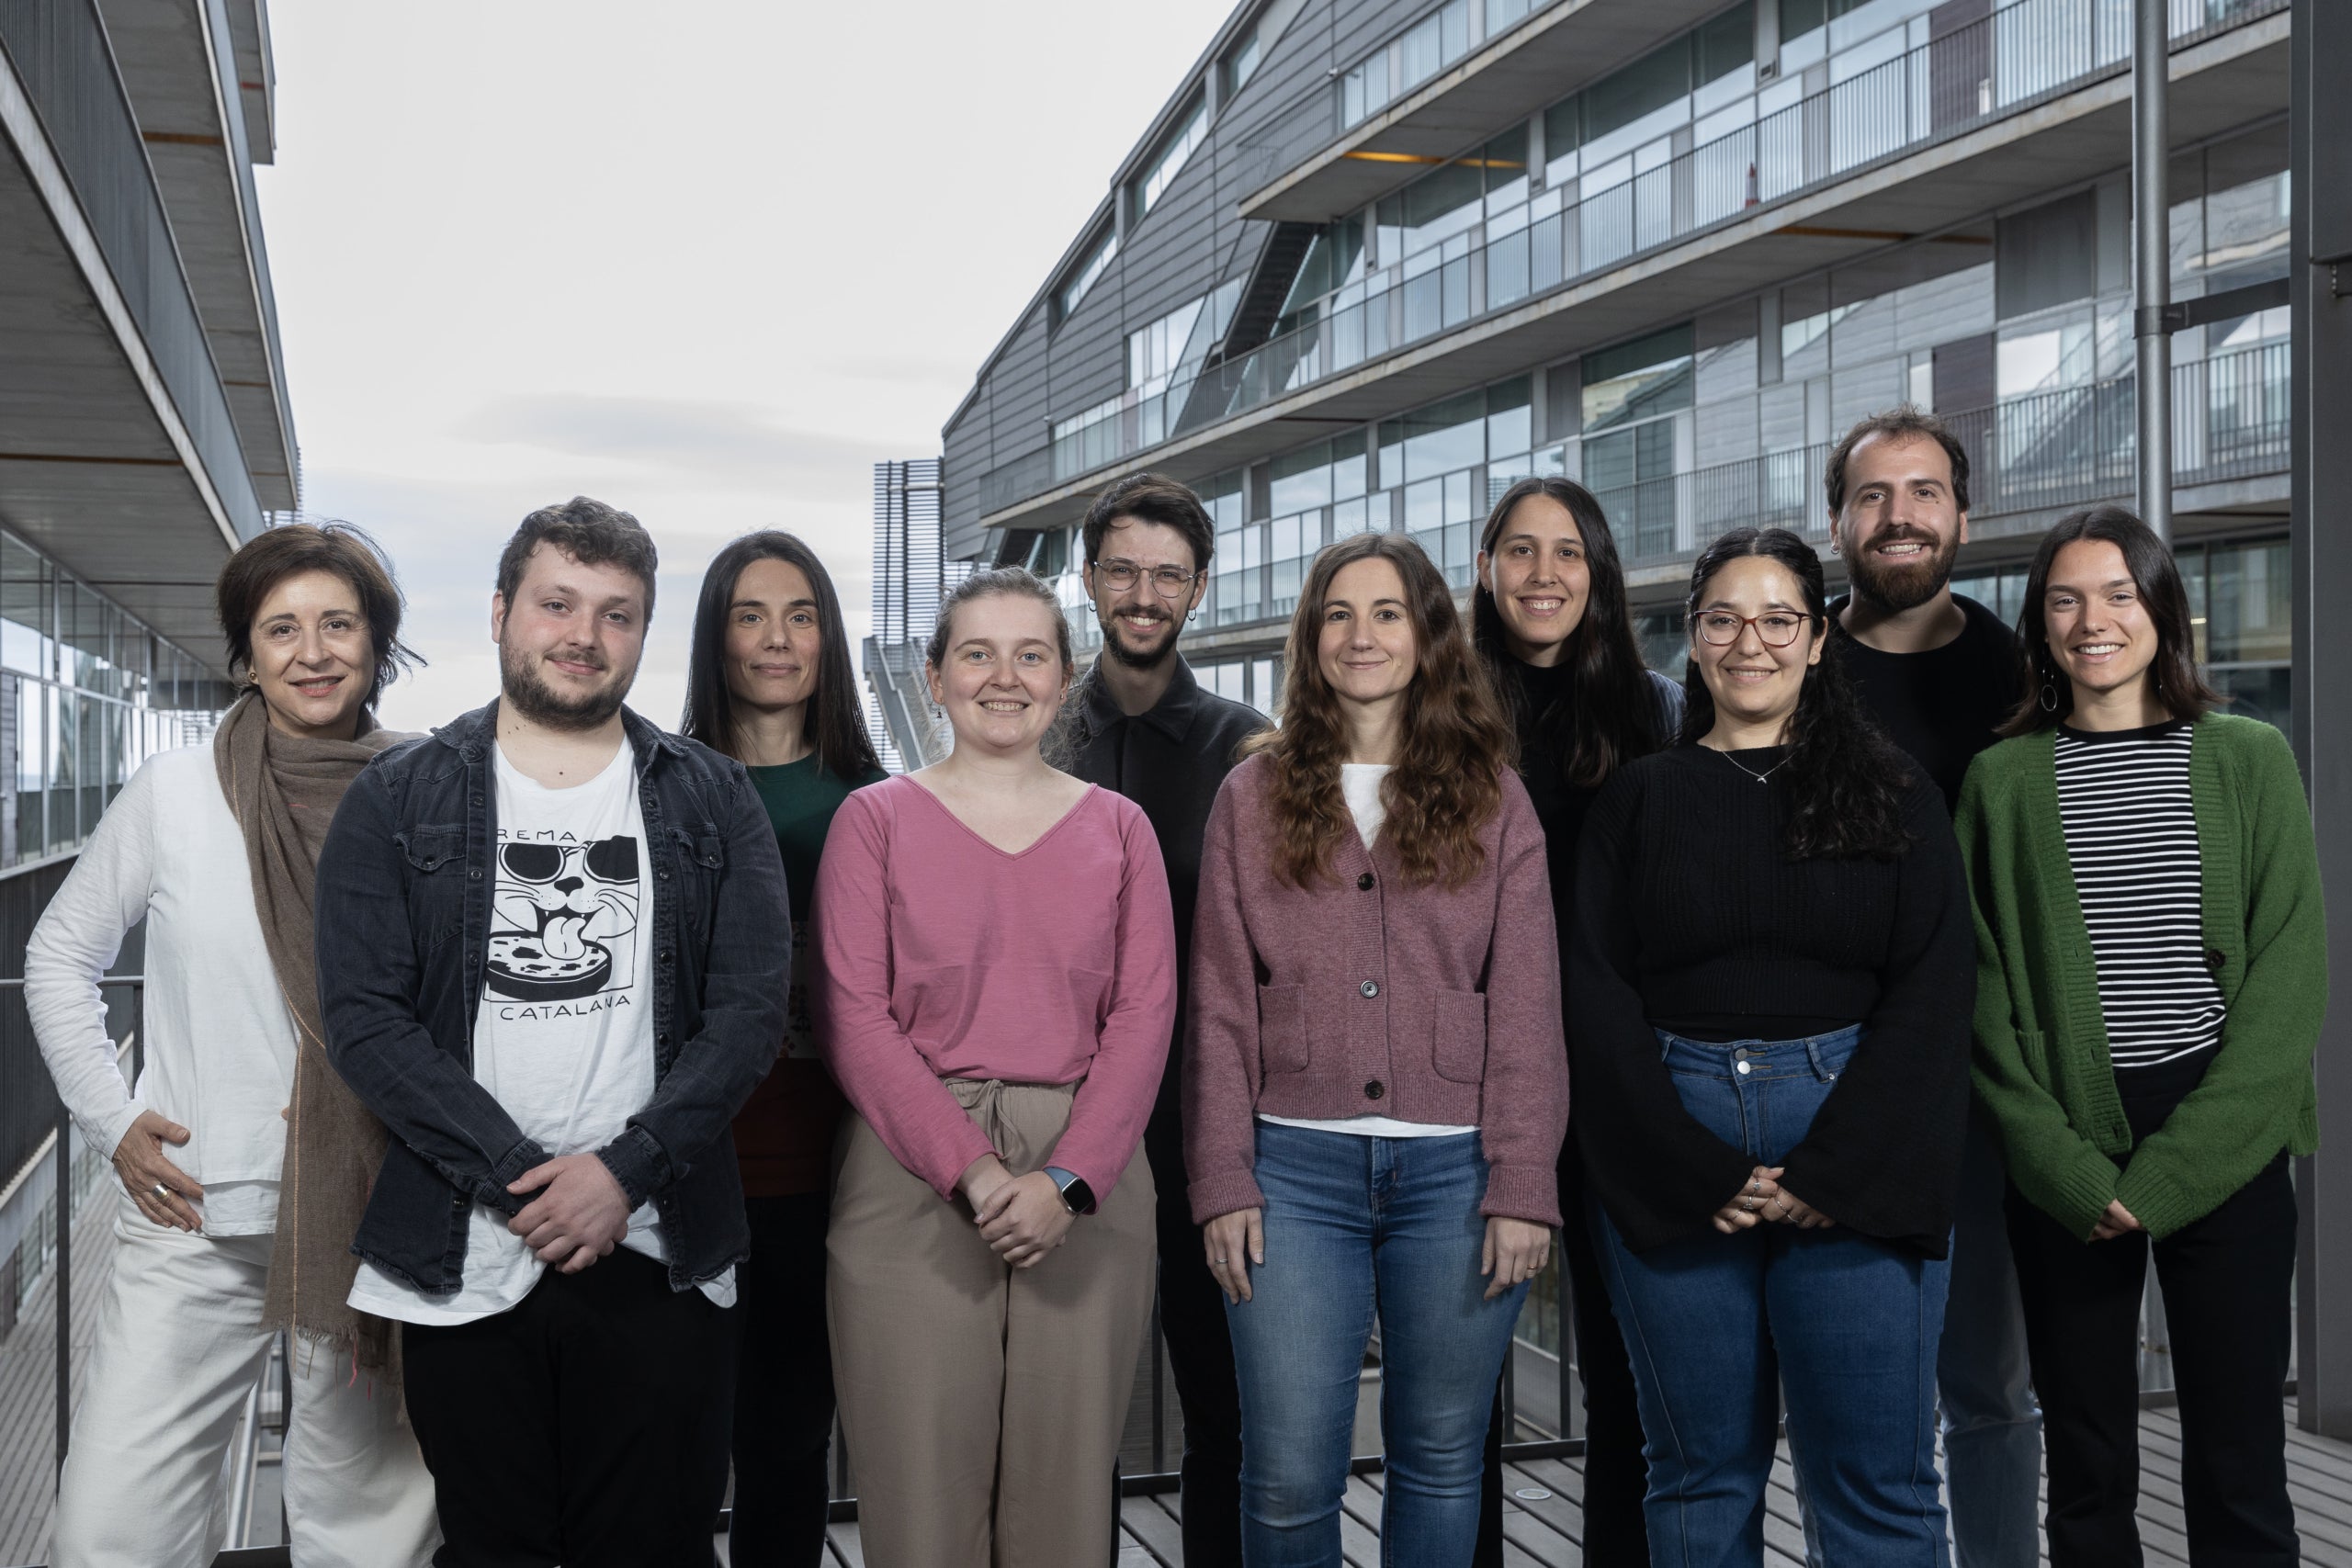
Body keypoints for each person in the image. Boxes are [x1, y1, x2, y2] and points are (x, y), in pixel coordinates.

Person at [316, 497, 790, 1567]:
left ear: (642, 635)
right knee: (495, 1548)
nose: (584, 634)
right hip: (468, 1247)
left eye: (617, 614)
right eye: (558, 603)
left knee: (659, 1548)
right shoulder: (395, 798)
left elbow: (750, 1012)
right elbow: (365, 1021)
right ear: (499, 614)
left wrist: (623, 1174)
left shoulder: (711, 800)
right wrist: (525, 1179)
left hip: (659, 1242)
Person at [28, 524, 438, 1568]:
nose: (312, 651)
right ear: (247, 652)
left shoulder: (428, 792)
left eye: (338, 624)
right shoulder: (176, 792)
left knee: (365, 1538)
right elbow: (59, 957)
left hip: (365, 1219)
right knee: (110, 1533)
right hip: (197, 1215)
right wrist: (113, 1123)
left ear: (376, 644)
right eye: (282, 628)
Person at [1570, 525, 1973, 1565]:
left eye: (1777, 619)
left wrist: (1833, 1171)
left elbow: (1933, 990)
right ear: (1693, 640)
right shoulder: (1638, 800)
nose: (1750, 642)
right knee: (1698, 1482)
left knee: (1877, 1482)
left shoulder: (1893, 792)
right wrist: (1691, 1165)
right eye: (1722, 620)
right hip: (1676, 1130)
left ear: (1817, 637)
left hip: (1858, 1132)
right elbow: (1596, 998)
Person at [1187, 530, 1567, 1567]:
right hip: (1289, 1173)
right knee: (1285, 1475)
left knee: (1442, 1459)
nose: (1362, 635)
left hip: (1457, 1170)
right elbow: (1218, 1002)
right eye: (1339, 614)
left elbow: (1527, 1001)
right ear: (1310, 640)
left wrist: (1523, 1184)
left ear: (1428, 636)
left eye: (1387, 613)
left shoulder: (1492, 796)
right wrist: (1223, 1177)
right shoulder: (1249, 798)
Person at [1957, 504, 2320, 1566]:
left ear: (2162, 608)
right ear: (2039, 624)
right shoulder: (2000, 780)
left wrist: (2169, 1178)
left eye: (2118, 593)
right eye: (2064, 599)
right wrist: (2057, 1164)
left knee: (2240, 1457)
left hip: (2223, 1131)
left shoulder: (2248, 757)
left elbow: (2289, 979)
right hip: (2067, 1139)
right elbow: (1982, 997)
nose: (2092, 620)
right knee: (2085, 1463)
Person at [814, 567, 1176, 1568]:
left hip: (1085, 1174)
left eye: (1031, 655)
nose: (1003, 677)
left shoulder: (1119, 830)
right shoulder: (874, 822)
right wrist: (974, 1171)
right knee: (918, 1499)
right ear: (933, 677)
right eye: (976, 653)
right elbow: (852, 1014)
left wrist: (1068, 1179)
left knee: (1064, 1508)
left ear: (1064, 679)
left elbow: (1146, 1015)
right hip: (910, 1172)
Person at [1821, 408, 2038, 1568]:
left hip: (1987, 1080)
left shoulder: (2019, 672)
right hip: (1831, 1074)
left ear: (1963, 513)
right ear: (1839, 519)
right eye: (1872, 495)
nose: (1897, 514)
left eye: (1922, 492)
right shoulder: (1794, 660)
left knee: (1991, 1386)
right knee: (1856, 1394)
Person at [1467, 476, 1680, 1564]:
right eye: (1519, 550)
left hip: (1613, 1071)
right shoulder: (1441, 708)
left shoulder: (1657, 710)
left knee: (1624, 1382)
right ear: (1485, 568)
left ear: (1597, 574)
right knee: (1459, 1404)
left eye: (1567, 553)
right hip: (1469, 1076)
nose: (1542, 574)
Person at [1054, 473, 1261, 1568]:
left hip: (1197, 1129)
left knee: (1222, 1410)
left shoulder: (1248, 747)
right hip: (1052, 1126)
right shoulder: (1033, 732)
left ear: (1198, 587)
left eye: (1167, 574)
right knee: (1058, 1420)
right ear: (1089, 580)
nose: (1144, 594)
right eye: (1123, 570)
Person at [679, 531, 885, 1568]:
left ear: (828, 639)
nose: (776, 639)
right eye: (749, 615)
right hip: (680, 1160)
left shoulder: (875, 801)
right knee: (675, 1452)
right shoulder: (659, 787)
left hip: (831, 1167)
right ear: (715, 637)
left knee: (789, 1442)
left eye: (800, 615)